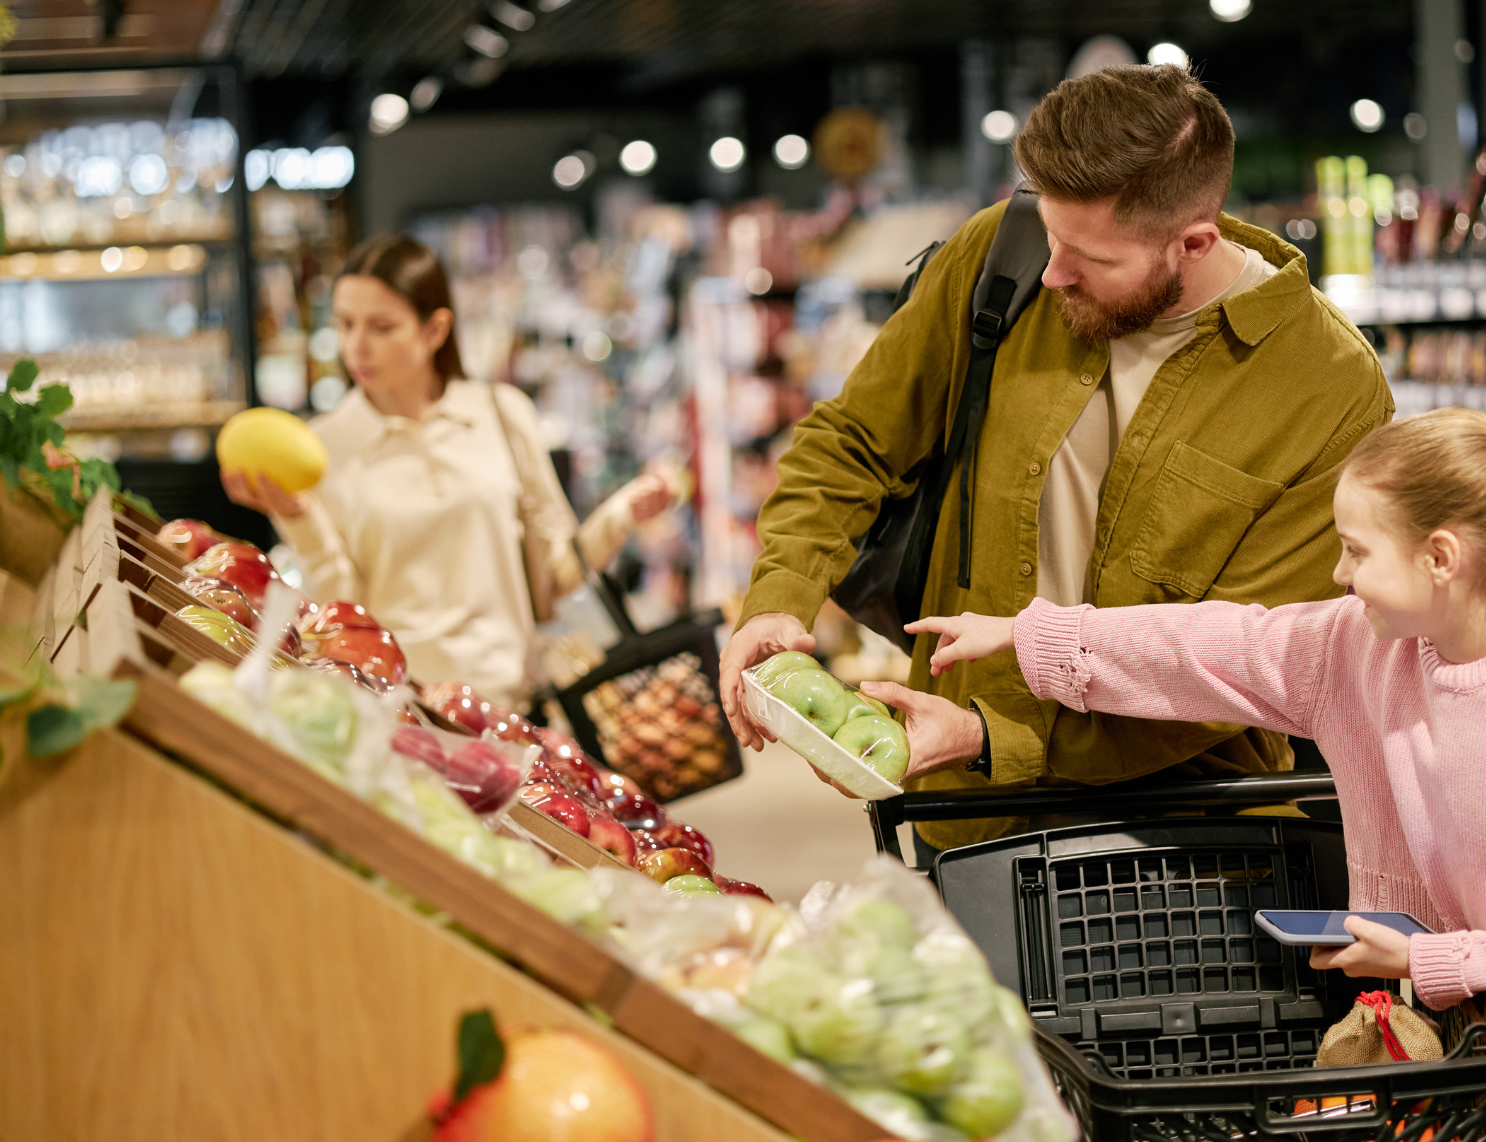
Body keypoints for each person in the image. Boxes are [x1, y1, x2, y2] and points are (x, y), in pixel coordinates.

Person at [913, 408, 1486, 1140]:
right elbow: (1218, 648)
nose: (1339, 573)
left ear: (1440, 558)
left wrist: (1429, 961)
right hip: (1473, 1033)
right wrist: (1034, 638)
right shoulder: (1357, 649)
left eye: (1357, 550)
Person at [720, 62, 1393, 862]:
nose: (1051, 274)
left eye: (1091, 258)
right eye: (1050, 235)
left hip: (1189, 844)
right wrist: (778, 600)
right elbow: (852, 442)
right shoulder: (998, 256)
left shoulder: (1329, 387)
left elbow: (1262, 663)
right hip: (970, 814)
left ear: (1195, 242)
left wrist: (993, 738)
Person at [223, 233, 674, 702]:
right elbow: (342, 609)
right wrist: (297, 517)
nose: (356, 346)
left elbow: (558, 575)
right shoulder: (322, 446)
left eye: (381, 327)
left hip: (510, 706)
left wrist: (619, 515)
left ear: (435, 330)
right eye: (345, 324)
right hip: (398, 710)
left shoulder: (502, 414)